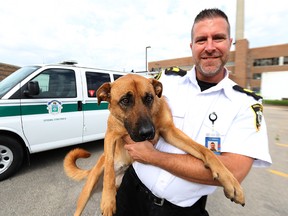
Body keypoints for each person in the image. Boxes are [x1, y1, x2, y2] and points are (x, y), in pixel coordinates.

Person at [114, 8, 272, 216]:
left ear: (230, 42)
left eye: (218, 38)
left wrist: (153, 156)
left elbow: (233, 172)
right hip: (130, 191)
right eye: (201, 40)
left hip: (181, 211)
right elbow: (125, 114)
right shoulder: (165, 80)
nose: (209, 47)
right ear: (191, 46)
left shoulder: (245, 103)